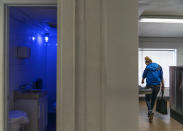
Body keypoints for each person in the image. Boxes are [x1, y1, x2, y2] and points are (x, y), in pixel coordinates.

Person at [141, 56, 164, 122]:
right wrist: (163, 85)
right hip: (157, 85)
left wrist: (142, 80)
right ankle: (150, 111)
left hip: (149, 85)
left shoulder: (147, 67)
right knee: (153, 98)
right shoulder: (159, 66)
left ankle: (150, 111)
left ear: (147, 62)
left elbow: (144, 74)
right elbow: (161, 77)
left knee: (148, 98)